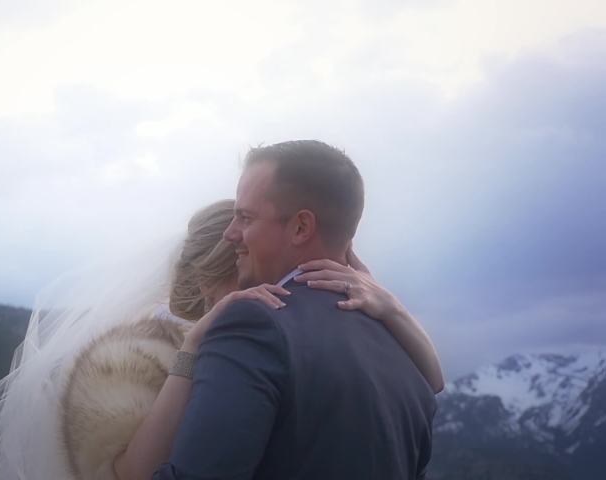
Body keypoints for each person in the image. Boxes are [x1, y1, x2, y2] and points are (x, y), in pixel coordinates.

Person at [62, 199, 443, 480]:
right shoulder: (132, 364)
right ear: (207, 281)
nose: (273, 293)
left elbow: (431, 386)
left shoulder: (268, 340)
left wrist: (392, 308)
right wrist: (192, 350)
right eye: (247, 270)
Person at [148, 141, 436, 480]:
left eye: (246, 217)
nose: (231, 233)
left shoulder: (255, 323)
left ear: (301, 227)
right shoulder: (403, 350)